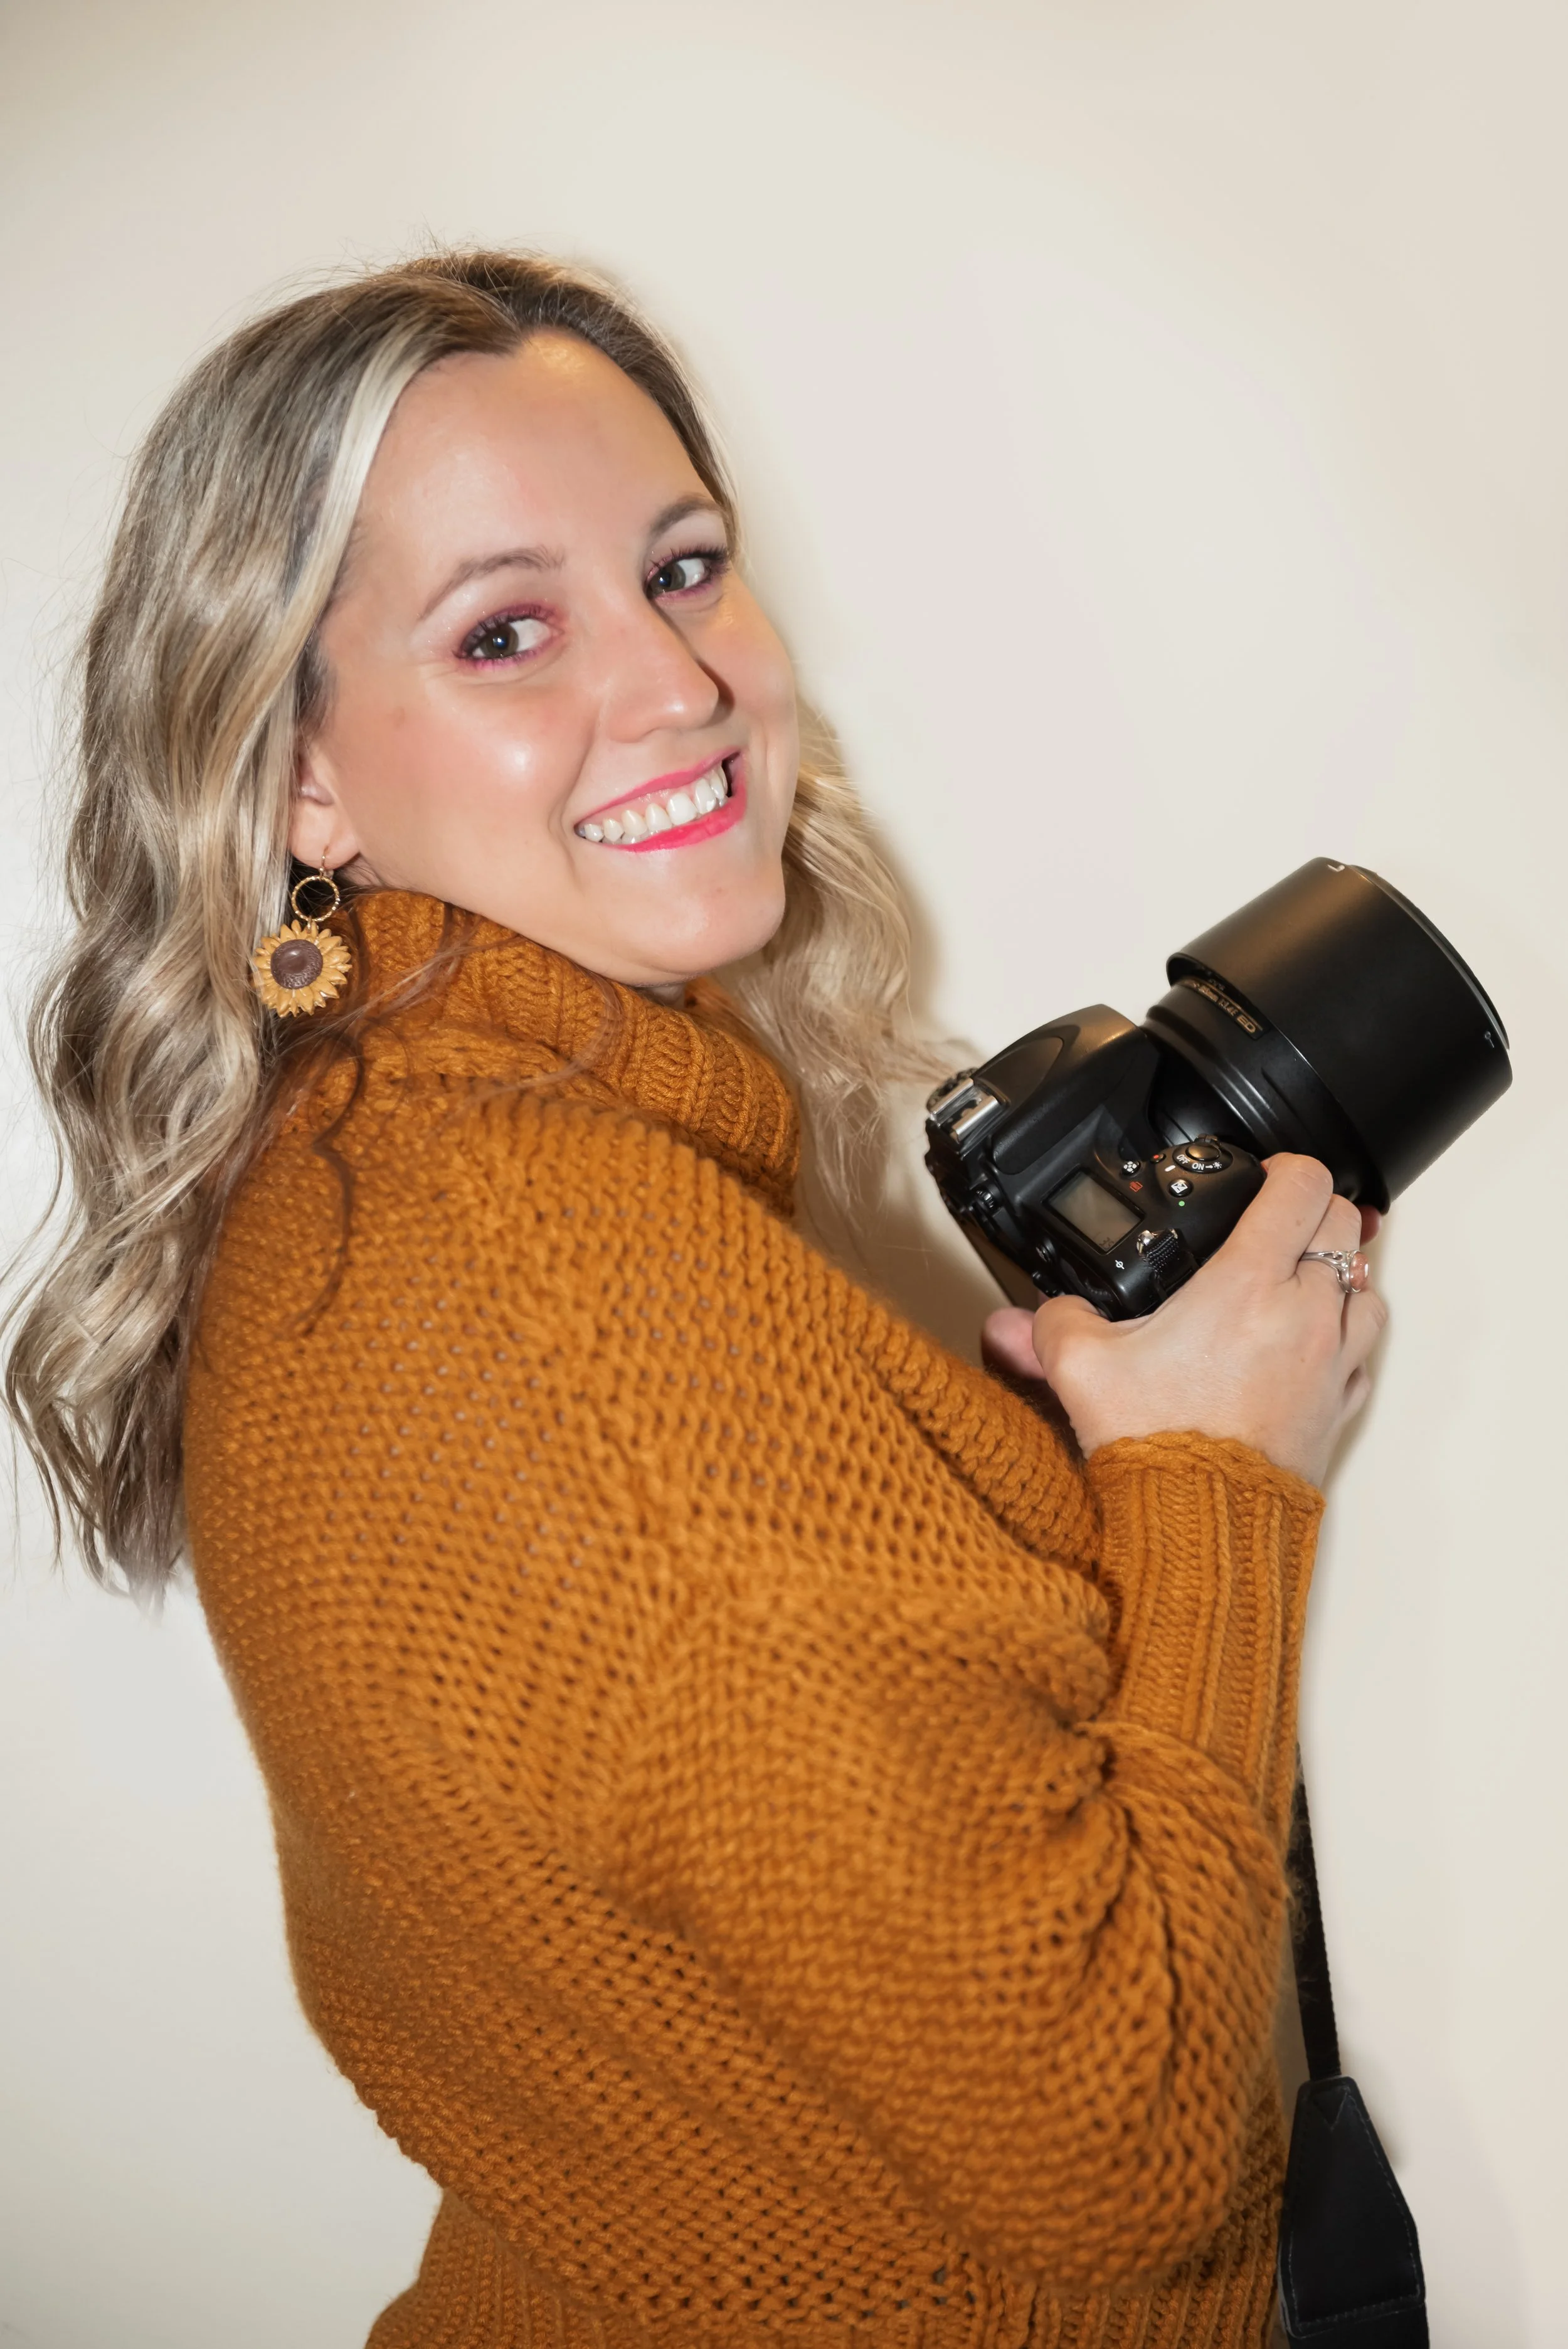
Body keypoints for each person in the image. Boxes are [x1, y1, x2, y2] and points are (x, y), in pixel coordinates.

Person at [6, 250, 1385, 2349]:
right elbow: (1122, 2151)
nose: (673, 685)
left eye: (682, 568)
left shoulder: (384, 1167)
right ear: (298, 782)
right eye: (503, 631)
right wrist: (1216, 1475)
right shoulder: (583, 1317)